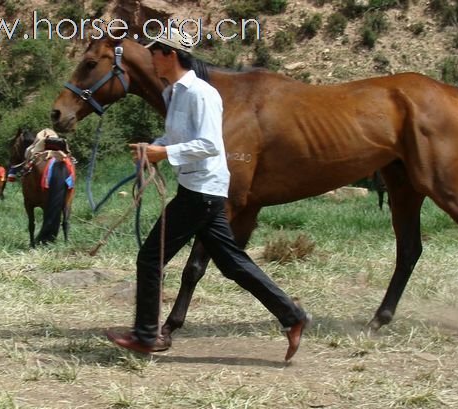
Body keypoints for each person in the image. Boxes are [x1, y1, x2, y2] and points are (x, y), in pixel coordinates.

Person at [105, 27, 310, 362]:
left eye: (154, 52)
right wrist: (154, 146)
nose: (150, 58)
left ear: (170, 55)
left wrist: (164, 156)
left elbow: (210, 144)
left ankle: (146, 335)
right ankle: (292, 316)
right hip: (201, 190)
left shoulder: (202, 94)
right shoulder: (175, 93)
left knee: (150, 258)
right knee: (232, 263)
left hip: (202, 192)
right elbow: (179, 136)